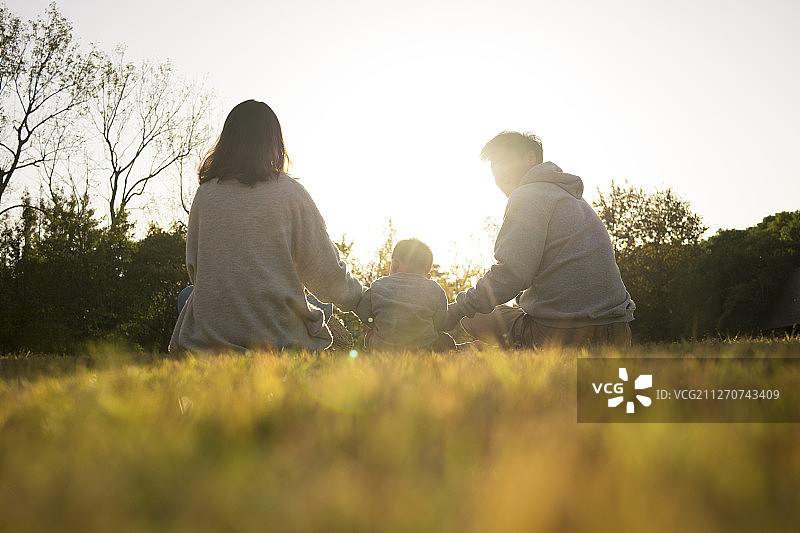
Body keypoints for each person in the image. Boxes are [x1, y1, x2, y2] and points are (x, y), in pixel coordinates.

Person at [169, 100, 364, 353]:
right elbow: (326, 275)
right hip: (277, 337)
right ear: (274, 143)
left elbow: (196, 270)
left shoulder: (205, 195)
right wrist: (362, 299)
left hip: (210, 339)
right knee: (320, 305)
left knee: (188, 294)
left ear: (227, 141)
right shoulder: (290, 193)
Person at [444, 131, 635, 348]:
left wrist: (454, 311)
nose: (499, 175)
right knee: (508, 310)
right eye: (494, 169)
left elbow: (511, 276)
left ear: (530, 158)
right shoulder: (571, 197)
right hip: (619, 331)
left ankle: (512, 355)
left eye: (504, 162)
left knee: (473, 316)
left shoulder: (526, 195)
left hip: (566, 334)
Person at [355, 238, 456, 352]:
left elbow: (363, 311)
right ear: (427, 277)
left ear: (395, 265)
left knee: (370, 335)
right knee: (444, 339)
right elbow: (441, 322)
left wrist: (374, 324)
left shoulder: (378, 285)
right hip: (423, 349)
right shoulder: (435, 289)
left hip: (384, 347)